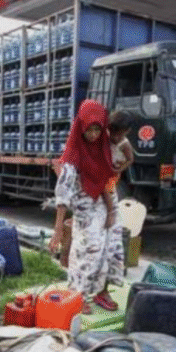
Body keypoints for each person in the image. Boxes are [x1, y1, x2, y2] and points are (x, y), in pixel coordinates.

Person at [48, 100, 125, 314]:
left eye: (97, 129)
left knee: (112, 247)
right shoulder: (74, 152)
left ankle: (102, 291)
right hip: (86, 205)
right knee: (88, 250)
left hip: (108, 200)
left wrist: (111, 210)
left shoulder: (105, 147)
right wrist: (57, 231)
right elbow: (63, 193)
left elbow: (110, 176)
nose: (92, 135)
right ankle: (78, 293)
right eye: (89, 129)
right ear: (80, 127)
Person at [101, 110, 135, 228]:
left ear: (127, 132)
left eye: (119, 134)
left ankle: (111, 212)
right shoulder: (104, 136)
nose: (115, 137)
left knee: (106, 189)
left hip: (113, 171)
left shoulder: (125, 144)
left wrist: (119, 169)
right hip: (102, 168)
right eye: (112, 133)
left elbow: (130, 160)